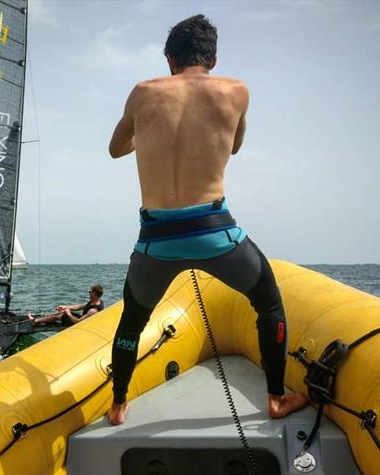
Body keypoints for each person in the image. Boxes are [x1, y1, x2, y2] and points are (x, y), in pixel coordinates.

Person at [106, 14, 308, 426]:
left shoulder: (142, 92)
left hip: (155, 242)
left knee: (132, 318)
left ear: (169, 58)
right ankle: (275, 398)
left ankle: (118, 405)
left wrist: (147, 134)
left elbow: (116, 148)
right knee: (269, 303)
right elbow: (234, 145)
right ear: (213, 58)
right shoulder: (236, 91)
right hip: (217, 235)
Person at [28, 284, 105, 326]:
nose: (89, 293)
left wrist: (68, 313)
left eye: (90, 292)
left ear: (94, 293)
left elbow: (78, 322)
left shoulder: (93, 310)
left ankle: (35, 321)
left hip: (81, 325)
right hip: (82, 320)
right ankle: (44, 322)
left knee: (61, 314)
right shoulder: (95, 301)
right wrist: (65, 307)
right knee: (62, 311)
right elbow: (78, 307)